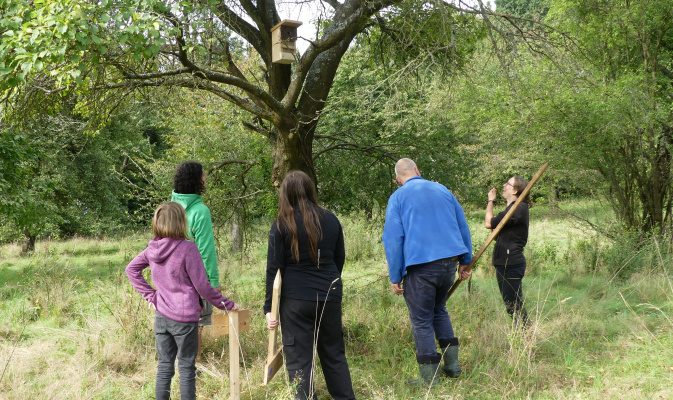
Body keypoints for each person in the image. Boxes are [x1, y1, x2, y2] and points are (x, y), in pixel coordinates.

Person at [126, 202, 240, 400]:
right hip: (184, 320)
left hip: (162, 317)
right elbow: (203, 286)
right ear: (181, 222)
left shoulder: (152, 248)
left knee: (164, 366)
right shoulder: (188, 248)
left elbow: (131, 269)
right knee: (187, 367)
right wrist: (226, 304)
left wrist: (152, 296)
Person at [264, 171, 355, 400]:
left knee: (299, 360)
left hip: (295, 300)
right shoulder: (331, 219)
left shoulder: (281, 224)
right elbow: (339, 258)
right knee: (334, 354)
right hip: (329, 295)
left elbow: (274, 270)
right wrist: (328, 285)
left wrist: (269, 308)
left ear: (285, 194)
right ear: (310, 190)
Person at [382, 158, 473, 387]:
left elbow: (393, 239)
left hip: (421, 269)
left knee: (421, 320)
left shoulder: (398, 197)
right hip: (449, 265)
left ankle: (430, 379)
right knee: (439, 310)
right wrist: (466, 260)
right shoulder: (443, 190)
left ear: (398, 179)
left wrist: (395, 276)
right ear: (417, 170)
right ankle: (453, 367)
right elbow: (462, 225)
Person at [171, 161, 220, 357]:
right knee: (196, 325)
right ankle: (192, 366)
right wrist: (213, 282)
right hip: (194, 279)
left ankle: (179, 363)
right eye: (203, 174)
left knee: (176, 324)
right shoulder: (200, 211)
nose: (206, 177)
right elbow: (206, 251)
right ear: (195, 180)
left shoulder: (169, 208)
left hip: (171, 277)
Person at [485, 175, 530, 327]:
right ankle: (523, 334)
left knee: (514, 305)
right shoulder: (512, 209)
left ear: (515, 190)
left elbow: (488, 223)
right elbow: (496, 233)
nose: (504, 186)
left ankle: (526, 334)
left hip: (510, 262)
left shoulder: (518, 208)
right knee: (511, 305)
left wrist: (490, 201)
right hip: (504, 262)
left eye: (508, 184)